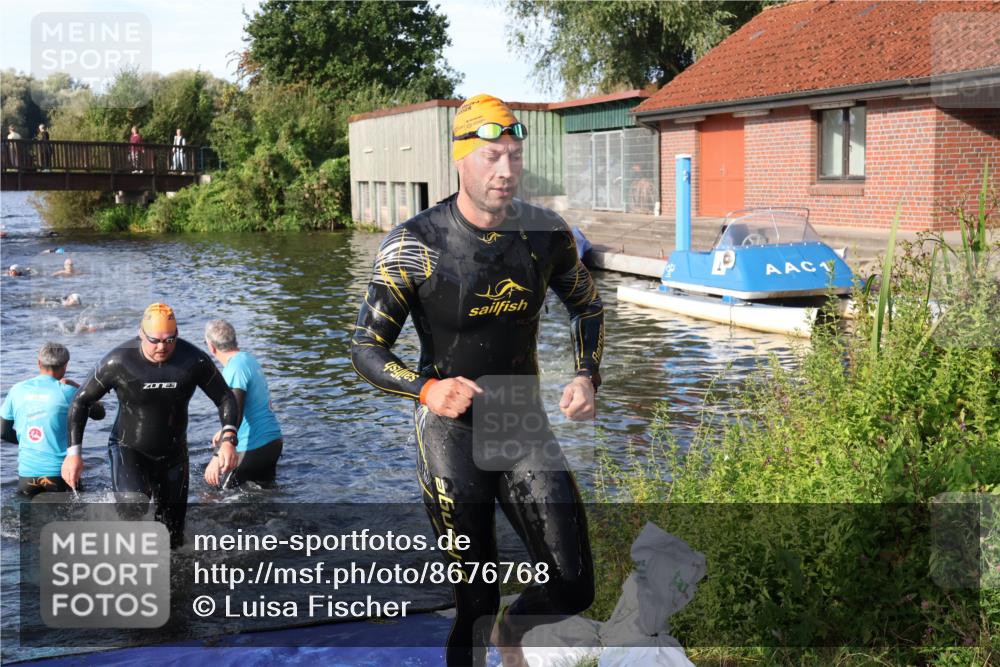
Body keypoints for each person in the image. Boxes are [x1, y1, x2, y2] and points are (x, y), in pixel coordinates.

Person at [351, 94, 604, 667]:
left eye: (514, 155)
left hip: (518, 417)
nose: (506, 171)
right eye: (492, 156)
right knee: (476, 600)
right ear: (459, 159)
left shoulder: (546, 235)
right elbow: (366, 348)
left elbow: (587, 307)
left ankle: (512, 633)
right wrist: (425, 388)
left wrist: (587, 376)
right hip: (448, 427)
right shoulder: (413, 245)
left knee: (574, 584)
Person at [63, 303, 240, 548]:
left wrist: (229, 438)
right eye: (155, 340)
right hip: (128, 448)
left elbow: (225, 398)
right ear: (141, 334)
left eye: (170, 340)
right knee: (134, 505)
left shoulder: (193, 360)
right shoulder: (119, 361)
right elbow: (80, 402)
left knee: (174, 538)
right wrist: (73, 455)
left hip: (174, 454)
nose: (162, 347)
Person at [1, 343, 105, 496]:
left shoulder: (17, 390)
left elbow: (2, 431)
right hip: (61, 474)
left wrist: (25, 441)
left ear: (38, 363)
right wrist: (77, 386)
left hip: (27, 475)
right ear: (65, 366)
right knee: (72, 517)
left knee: (26, 518)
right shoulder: (68, 392)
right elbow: (99, 413)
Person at [202, 319, 283, 488]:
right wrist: (223, 429)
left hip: (254, 446)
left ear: (211, 346)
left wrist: (217, 456)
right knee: (265, 497)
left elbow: (235, 409)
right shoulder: (247, 359)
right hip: (273, 442)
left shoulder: (234, 369)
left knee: (218, 498)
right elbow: (251, 404)